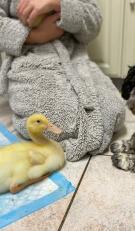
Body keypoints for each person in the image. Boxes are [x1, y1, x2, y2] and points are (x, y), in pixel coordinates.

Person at [0, 0, 125, 161]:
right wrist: (33, 36)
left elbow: (93, 23)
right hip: (29, 56)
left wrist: (59, 5)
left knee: (115, 110)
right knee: (55, 123)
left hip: (73, 55)